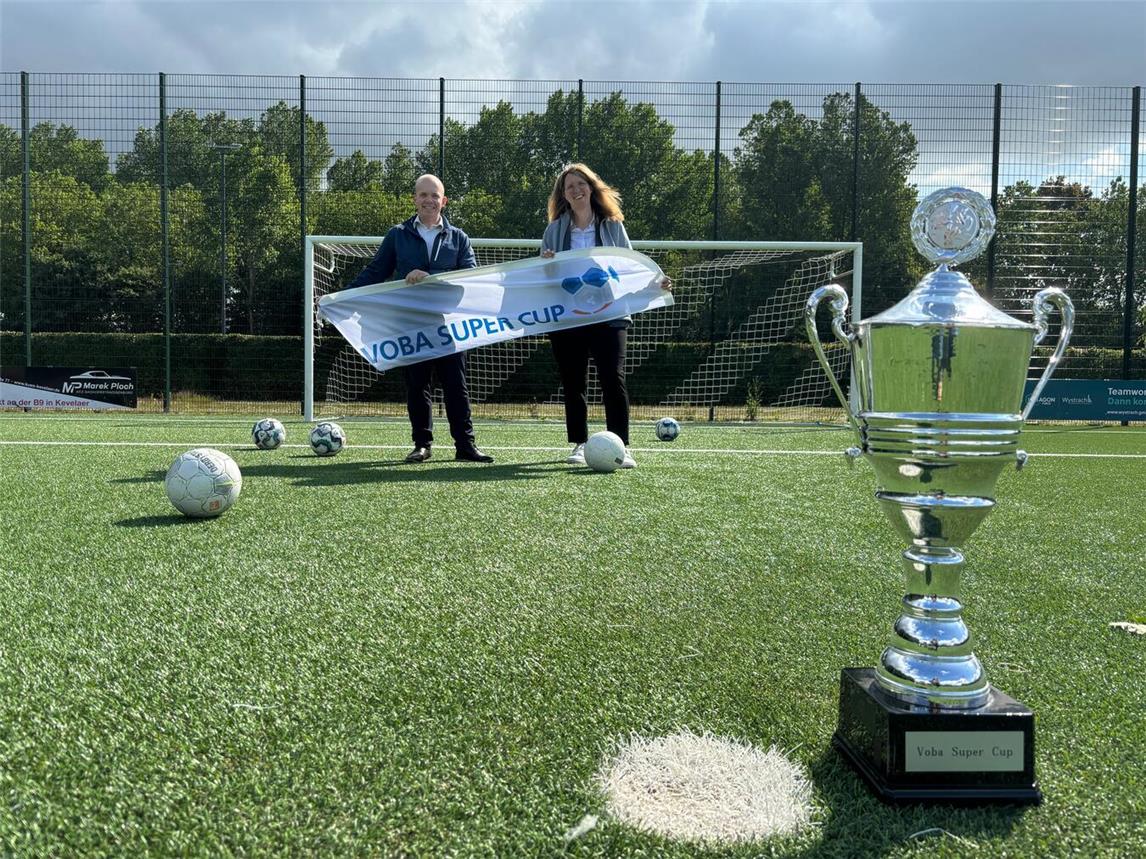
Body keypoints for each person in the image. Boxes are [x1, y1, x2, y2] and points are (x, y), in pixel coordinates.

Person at [346, 174, 493, 464]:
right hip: (411, 325)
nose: (429, 200)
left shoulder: (459, 238)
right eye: (423, 195)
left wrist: (431, 278)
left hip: (450, 327)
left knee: (456, 386)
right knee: (417, 386)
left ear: (444, 201)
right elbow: (375, 273)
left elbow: (470, 280)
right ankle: (422, 444)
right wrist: (342, 297)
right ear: (414, 199)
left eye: (434, 195)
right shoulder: (397, 235)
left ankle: (465, 445)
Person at [540, 163, 670, 469]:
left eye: (580, 183)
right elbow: (543, 277)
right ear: (564, 195)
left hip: (609, 314)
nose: (576, 190)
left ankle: (621, 446)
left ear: (591, 187)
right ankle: (579, 443)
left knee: (613, 378)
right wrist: (545, 263)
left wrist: (657, 282)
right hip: (568, 316)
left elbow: (630, 265)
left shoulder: (612, 225)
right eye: (569, 186)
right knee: (573, 381)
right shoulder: (555, 229)